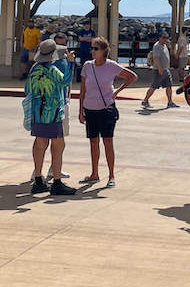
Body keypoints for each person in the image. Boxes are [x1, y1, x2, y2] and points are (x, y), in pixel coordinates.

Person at [79, 37, 137, 188]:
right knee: (93, 142)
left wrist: (117, 91)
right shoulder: (87, 66)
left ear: (104, 51)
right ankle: (94, 173)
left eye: (95, 49)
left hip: (106, 109)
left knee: (107, 141)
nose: (92, 51)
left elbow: (132, 77)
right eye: (91, 48)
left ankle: (111, 175)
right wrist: (80, 110)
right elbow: (83, 89)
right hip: (90, 108)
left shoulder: (111, 66)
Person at [27, 39, 77, 196]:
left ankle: (38, 180)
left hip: (37, 112)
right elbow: (66, 81)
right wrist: (70, 64)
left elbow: (27, 89)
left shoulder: (34, 69)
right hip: (53, 111)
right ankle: (56, 181)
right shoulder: (51, 69)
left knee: (40, 144)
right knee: (58, 145)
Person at [142, 30, 176, 108]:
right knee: (154, 86)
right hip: (158, 70)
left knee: (169, 85)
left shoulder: (164, 45)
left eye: (167, 38)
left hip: (166, 69)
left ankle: (170, 102)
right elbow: (156, 58)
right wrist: (160, 68)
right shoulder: (157, 46)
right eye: (164, 37)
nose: (165, 39)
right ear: (159, 38)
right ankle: (145, 100)